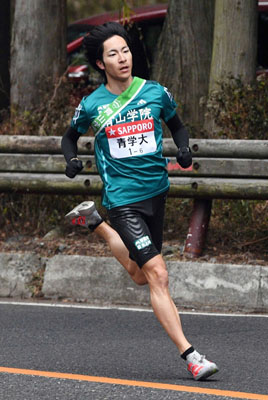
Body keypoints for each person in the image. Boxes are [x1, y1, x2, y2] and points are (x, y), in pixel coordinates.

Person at [61, 22, 219, 381]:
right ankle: (192, 355)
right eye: (113, 54)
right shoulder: (92, 105)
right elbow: (69, 138)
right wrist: (71, 160)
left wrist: (182, 147)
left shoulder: (153, 93)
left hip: (156, 194)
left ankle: (94, 223)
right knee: (158, 275)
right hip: (123, 200)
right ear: (101, 64)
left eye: (126, 51)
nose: (122, 58)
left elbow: (176, 125)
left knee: (138, 275)